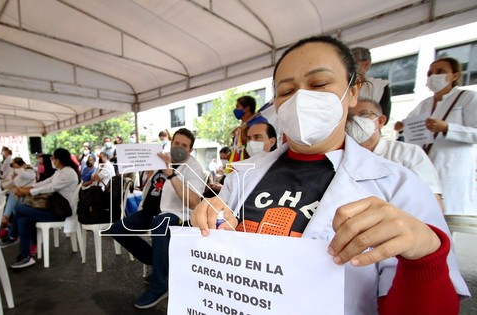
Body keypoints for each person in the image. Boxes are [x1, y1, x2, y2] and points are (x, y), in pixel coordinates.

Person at [191, 36, 468, 314]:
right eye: (286, 91)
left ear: (353, 91)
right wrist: (207, 226)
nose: (301, 99)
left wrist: (425, 256)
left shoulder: (398, 187)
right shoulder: (243, 175)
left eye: (319, 84)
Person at [108, 128, 205, 309]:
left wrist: (171, 174)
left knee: (160, 222)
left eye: (184, 146)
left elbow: (193, 202)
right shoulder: (160, 157)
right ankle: (160, 263)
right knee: (117, 229)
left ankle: (160, 285)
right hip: (150, 211)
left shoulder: (194, 168)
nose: (179, 147)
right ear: (171, 142)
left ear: (190, 150)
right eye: (176, 143)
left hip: (178, 215)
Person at [394, 57, 477, 215]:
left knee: (448, 218)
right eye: (430, 73)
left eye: (440, 72)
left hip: (453, 168)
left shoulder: (467, 98)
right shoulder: (424, 104)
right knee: (424, 215)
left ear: (454, 76)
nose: (433, 76)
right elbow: (410, 127)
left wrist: (447, 128)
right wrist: (402, 127)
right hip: (426, 166)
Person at [346, 98, 445, 211]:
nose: (356, 120)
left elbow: (433, 200)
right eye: (350, 118)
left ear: (381, 121)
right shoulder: (343, 156)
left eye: (364, 114)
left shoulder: (407, 153)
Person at [0, 148, 80, 269]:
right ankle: (25, 256)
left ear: (58, 160)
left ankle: (11, 235)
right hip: (54, 207)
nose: (52, 160)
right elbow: (46, 182)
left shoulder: (68, 172)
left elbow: (51, 187)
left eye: (53, 158)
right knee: (22, 220)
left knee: (21, 209)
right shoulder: (60, 171)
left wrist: (29, 191)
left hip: (61, 211)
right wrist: (29, 188)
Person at [351, 47, 392, 123]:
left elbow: (385, 117)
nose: (349, 68)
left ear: (366, 64)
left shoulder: (380, 87)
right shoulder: (344, 85)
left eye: (354, 63)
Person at [1, 157, 36, 226]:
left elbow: (22, 175)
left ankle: (5, 216)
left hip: (27, 195)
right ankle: (7, 218)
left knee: (14, 194)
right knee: (14, 196)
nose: (13, 166)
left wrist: (21, 168)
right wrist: (12, 178)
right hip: (20, 195)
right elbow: (11, 183)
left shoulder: (30, 172)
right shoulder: (17, 172)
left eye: (14, 164)